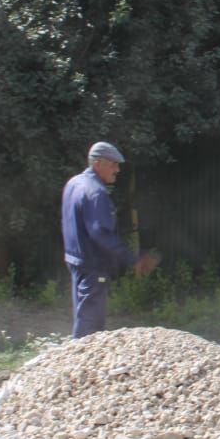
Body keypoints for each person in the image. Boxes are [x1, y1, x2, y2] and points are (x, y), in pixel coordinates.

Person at [61, 142, 159, 338]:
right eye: (113, 164)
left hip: (76, 261)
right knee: (90, 327)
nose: (118, 169)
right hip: (93, 267)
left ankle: (77, 362)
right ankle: (80, 366)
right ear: (98, 163)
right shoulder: (96, 193)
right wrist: (134, 260)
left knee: (83, 317)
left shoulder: (74, 183)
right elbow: (101, 234)